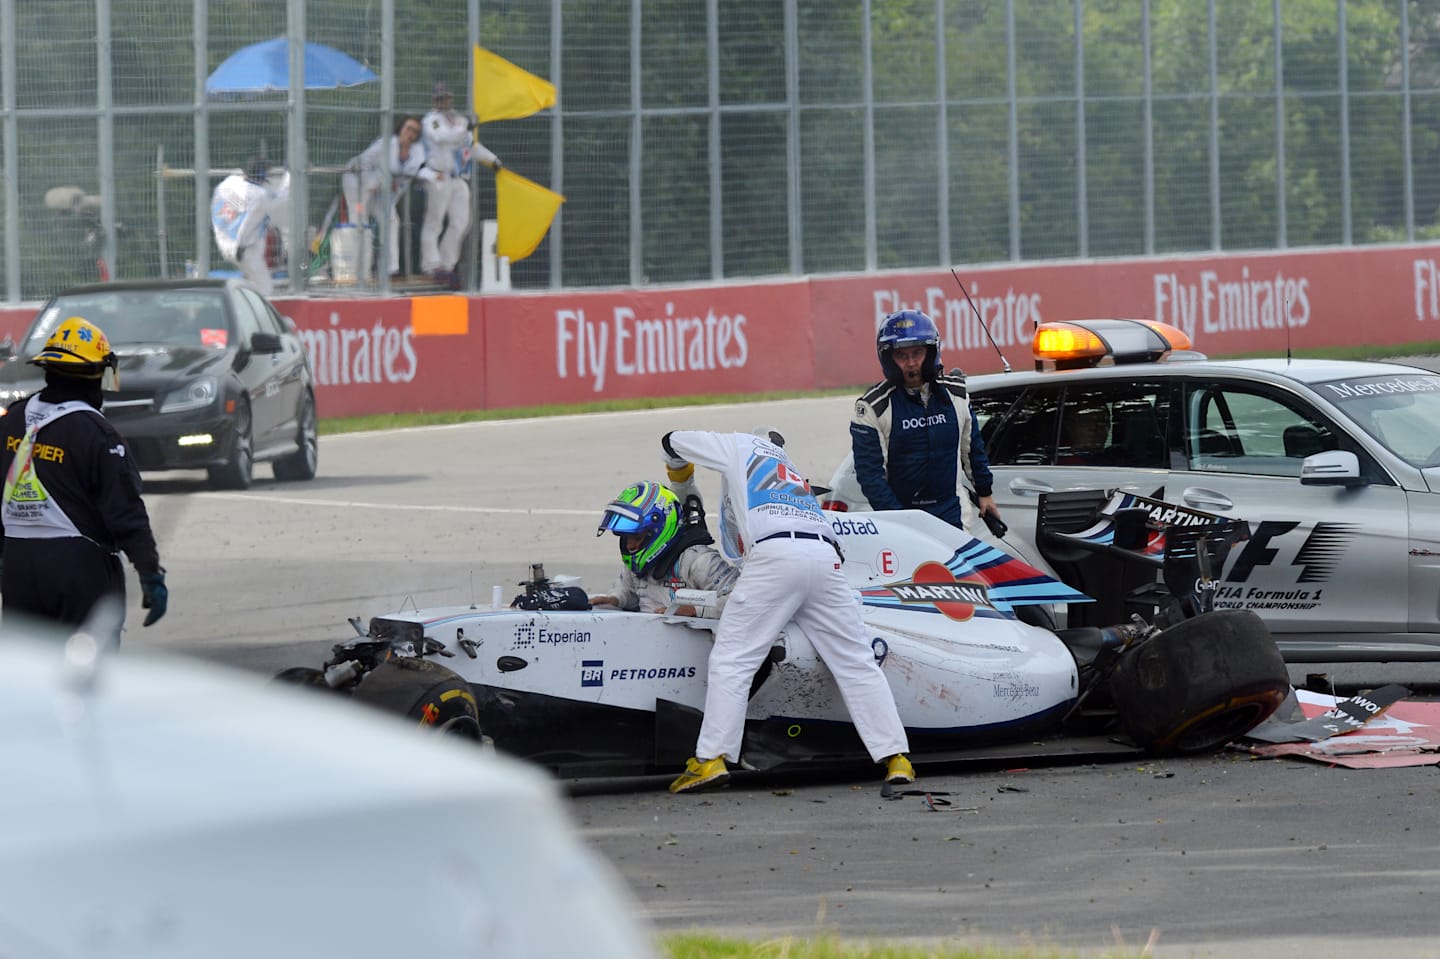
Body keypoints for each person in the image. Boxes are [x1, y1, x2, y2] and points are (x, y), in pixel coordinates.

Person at [659, 428, 913, 794]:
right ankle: (896, 757)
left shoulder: (736, 444)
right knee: (856, 661)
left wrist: (677, 470)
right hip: (825, 556)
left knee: (733, 659)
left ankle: (711, 758)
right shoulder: (785, 464)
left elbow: (672, 439)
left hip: (775, 555)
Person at [0, 316, 167, 636]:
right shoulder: (97, 434)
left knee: (26, 678)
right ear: (95, 375)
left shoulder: (12, 421)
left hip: (19, 567)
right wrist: (150, 573)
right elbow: (126, 512)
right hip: (78, 569)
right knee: (88, 674)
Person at [850, 309, 1001, 533]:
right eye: (902, 356)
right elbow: (870, 476)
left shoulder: (957, 394)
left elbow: (972, 450)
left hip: (953, 515)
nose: (911, 363)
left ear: (931, 352)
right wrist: (900, 521)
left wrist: (985, 492)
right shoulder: (871, 407)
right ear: (888, 358)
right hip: (902, 520)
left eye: (918, 353)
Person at [589, 480, 738, 618]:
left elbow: (742, 598)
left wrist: (695, 610)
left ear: (658, 531)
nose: (630, 546)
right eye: (626, 537)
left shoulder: (698, 561)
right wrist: (614, 600)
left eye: (636, 537)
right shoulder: (636, 564)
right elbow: (628, 593)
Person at [420, 82, 502, 289]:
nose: (443, 101)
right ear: (434, 101)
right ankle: (431, 265)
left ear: (451, 99)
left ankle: (446, 265)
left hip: (458, 177)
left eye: (446, 97)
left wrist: (492, 160)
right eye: (439, 98)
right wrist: (466, 126)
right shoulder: (432, 120)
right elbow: (443, 137)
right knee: (434, 222)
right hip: (438, 176)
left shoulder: (457, 121)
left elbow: (470, 146)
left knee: (461, 222)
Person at [341, 115, 436, 279]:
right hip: (357, 182)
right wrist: (371, 185)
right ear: (400, 129)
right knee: (360, 223)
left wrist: (387, 189)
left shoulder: (417, 154)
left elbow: (404, 181)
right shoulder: (385, 144)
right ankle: (361, 271)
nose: (411, 134)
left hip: (383, 193)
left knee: (391, 221)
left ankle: (390, 269)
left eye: (415, 131)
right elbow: (362, 162)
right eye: (408, 128)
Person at [210, 155, 291, 295]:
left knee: (251, 279)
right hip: (243, 249)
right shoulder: (258, 195)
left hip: (223, 240)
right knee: (265, 287)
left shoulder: (230, 181)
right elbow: (281, 196)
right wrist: (290, 174)